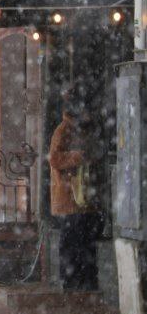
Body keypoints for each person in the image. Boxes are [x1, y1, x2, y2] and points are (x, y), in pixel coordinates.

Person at [48, 102, 100, 290]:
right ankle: (71, 283)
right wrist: (77, 157)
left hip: (83, 199)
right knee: (71, 244)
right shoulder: (63, 130)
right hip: (69, 199)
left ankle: (85, 282)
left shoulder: (84, 130)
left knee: (85, 243)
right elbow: (54, 159)